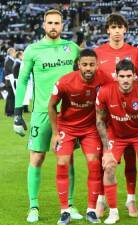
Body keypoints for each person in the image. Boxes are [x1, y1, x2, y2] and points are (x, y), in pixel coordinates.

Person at [13, 9, 81, 223]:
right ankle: (33, 206)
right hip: (42, 113)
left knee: (67, 159)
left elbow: (84, 76)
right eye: (49, 23)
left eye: (57, 23)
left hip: (69, 114)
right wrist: (17, 113)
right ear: (43, 25)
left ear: (63, 25)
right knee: (37, 157)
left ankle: (69, 205)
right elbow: (22, 80)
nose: (53, 26)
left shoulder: (73, 49)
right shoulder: (33, 50)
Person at [48, 49, 113, 224]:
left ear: (97, 64)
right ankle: (64, 211)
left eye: (92, 64)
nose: (88, 68)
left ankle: (91, 210)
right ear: (78, 65)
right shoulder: (65, 81)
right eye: (84, 64)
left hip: (90, 129)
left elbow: (117, 91)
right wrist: (55, 134)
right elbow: (52, 106)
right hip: (67, 128)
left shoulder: (105, 78)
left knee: (93, 163)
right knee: (62, 163)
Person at [95, 59, 138, 224]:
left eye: (129, 76)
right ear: (116, 76)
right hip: (116, 135)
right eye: (122, 76)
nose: (125, 80)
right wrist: (107, 150)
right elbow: (100, 121)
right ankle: (113, 212)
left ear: (134, 76)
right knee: (109, 166)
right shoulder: (104, 91)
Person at [94, 13, 138, 218]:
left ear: (125, 30)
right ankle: (101, 200)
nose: (116, 31)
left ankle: (131, 201)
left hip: (130, 114)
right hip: (106, 113)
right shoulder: (98, 52)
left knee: (131, 159)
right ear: (107, 30)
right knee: (103, 159)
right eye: (112, 27)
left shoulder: (134, 52)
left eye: (119, 27)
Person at [4, 48, 16, 116]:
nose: (15, 53)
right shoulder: (9, 60)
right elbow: (12, 70)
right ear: (11, 53)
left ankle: (8, 111)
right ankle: (10, 112)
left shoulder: (9, 60)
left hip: (9, 81)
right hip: (9, 81)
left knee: (10, 97)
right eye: (14, 52)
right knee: (11, 97)